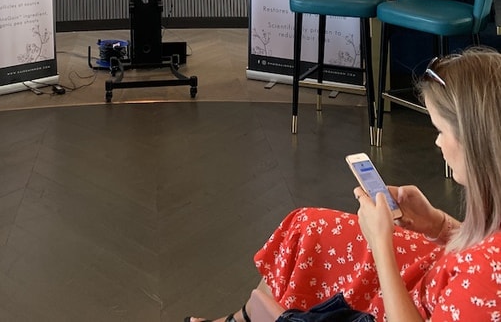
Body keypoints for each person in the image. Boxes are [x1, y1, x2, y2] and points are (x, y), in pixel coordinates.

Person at [186, 47, 501, 322]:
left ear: (476, 142)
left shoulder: (485, 276)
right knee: (309, 228)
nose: (438, 142)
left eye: (441, 130)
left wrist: (381, 245)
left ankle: (252, 316)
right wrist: (438, 224)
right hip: (441, 276)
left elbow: (480, 275)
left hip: (428, 297)